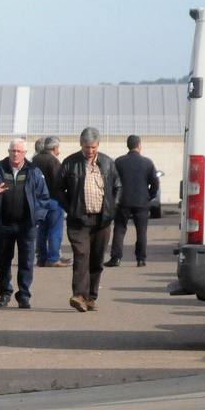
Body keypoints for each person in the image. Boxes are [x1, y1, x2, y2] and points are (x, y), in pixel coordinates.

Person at [58, 127, 122, 312]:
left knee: (96, 259)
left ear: (98, 145)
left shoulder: (108, 163)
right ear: (81, 145)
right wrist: (70, 207)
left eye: (93, 147)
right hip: (79, 220)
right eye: (87, 147)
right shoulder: (70, 163)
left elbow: (118, 186)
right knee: (81, 256)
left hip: (102, 221)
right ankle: (79, 295)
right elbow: (58, 189)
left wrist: (112, 208)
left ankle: (91, 297)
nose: (90, 151)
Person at [0, 138, 50, 309]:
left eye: (19, 151)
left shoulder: (34, 171)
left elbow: (44, 198)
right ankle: (5, 293)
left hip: (26, 226)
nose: (15, 154)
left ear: (25, 153)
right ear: (8, 152)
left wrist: (36, 218)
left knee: (27, 261)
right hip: (4, 224)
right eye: (13, 151)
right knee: (3, 261)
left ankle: (24, 294)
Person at [107, 135, 160, 268]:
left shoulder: (118, 162)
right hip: (142, 202)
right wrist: (149, 196)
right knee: (141, 231)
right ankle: (141, 259)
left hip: (123, 201)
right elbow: (155, 183)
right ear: (139, 145)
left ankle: (116, 258)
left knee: (119, 229)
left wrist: (115, 197)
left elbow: (111, 181)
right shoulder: (147, 162)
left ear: (128, 146)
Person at [33, 136, 69, 268]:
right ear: (54, 148)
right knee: (55, 230)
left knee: (42, 230)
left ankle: (41, 258)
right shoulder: (53, 161)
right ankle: (53, 258)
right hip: (53, 200)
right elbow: (58, 182)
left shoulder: (35, 159)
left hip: (38, 201)